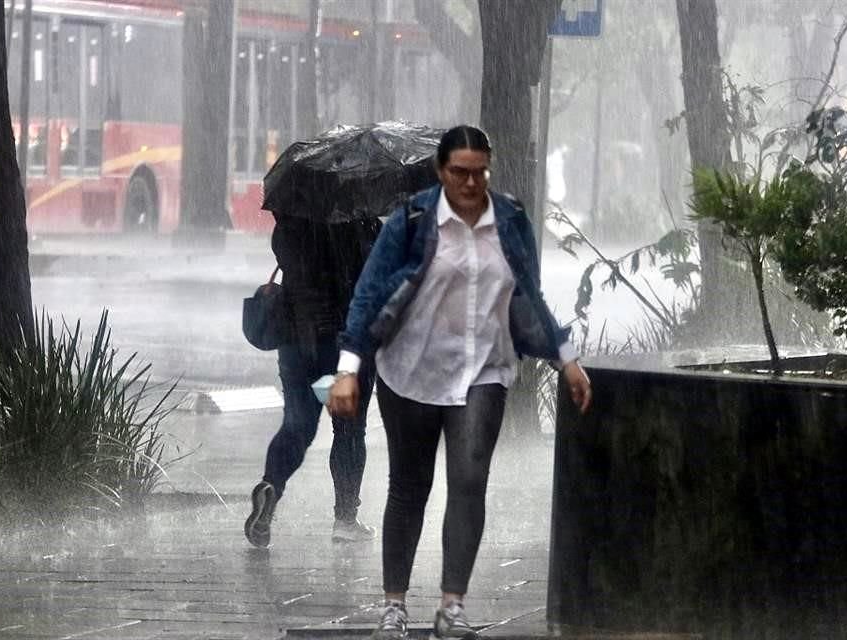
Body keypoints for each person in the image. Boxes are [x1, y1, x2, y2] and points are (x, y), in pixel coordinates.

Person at [327, 125, 592, 640]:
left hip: (484, 372)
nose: (471, 183)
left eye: (480, 172)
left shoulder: (511, 220)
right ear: (440, 171)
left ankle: (452, 608)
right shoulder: (413, 220)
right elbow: (368, 294)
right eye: (459, 172)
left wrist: (566, 357)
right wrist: (348, 368)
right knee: (409, 488)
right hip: (411, 370)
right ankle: (394, 607)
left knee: (469, 485)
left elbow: (528, 295)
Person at [244, 214, 381, 548]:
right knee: (348, 431)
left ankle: (272, 484)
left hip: (296, 342)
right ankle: (345, 519)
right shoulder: (365, 227)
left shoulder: (291, 225)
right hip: (343, 346)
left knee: (298, 427)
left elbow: (289, 261)